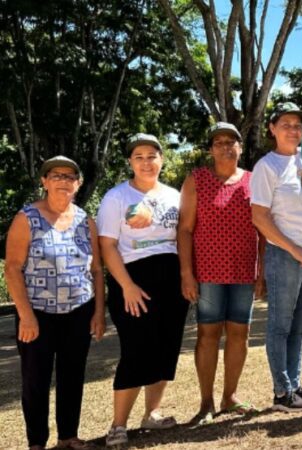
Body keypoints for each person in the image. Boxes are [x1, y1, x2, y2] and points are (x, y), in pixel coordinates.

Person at [4, 156, 105, 450]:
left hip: (79, 310)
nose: (63, 180)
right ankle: (37, 442)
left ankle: (68, 437)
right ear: (44, 181)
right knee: (35, 380)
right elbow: (12, 268)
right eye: (55, 175)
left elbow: (97, 269)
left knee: (72, 376)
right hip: (37, 313)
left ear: (79, 183)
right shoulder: (27, 218)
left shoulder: (86, 221)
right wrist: (26, 316)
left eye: (70, 176)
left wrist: (99, 312)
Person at [98, 133, 189, 446]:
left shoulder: (174, 195)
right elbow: (107, 245)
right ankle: (117, 426)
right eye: (139, 156)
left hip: (171, 279)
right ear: (130, 162)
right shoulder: (116, 197)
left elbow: (182, 237)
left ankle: (152, 414)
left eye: (152, 155)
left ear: (161, 159)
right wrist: (127, 286)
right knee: (136, 351)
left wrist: (185, 278)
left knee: (166, 348)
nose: (146, 162)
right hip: (133, 279)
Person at [177, 122, 264, 424]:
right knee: (207, 334)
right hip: (208, 273)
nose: (225, 146)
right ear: (211, 149)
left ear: (240, 147)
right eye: (218, 142)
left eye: (232, 141)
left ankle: (230, 397)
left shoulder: (254, 180)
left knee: (240, 334)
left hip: (243, 272)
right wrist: (187, 273)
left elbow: (263, 230)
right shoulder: (196, 180)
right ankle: (206, 402)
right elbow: (185, 229)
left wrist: (261, 272)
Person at [251, 102, 302, 412]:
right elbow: (260, 217)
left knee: (301, 324)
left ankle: (294, 383)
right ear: (272, 128)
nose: (293, 129)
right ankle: (282, 392)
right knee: (280, 324)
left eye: (298, 125)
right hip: (285, 254)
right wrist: (294, 249)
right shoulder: (267, 167)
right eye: (286, 124)